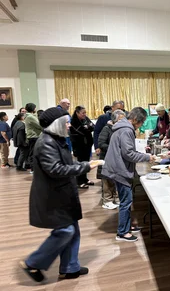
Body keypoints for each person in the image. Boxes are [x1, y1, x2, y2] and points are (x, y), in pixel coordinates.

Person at [19, 107, 98, 282]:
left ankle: (70, 268)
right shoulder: (46, 142)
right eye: (67, 122)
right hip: (52, 197)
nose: (69, 125)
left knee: (73, 230)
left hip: (62, 194)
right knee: (65, 230)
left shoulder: (56, 139)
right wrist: (86, 166)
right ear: (58, 124)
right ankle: (33, 262)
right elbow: (56, 169)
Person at [102, 107, 156, 242]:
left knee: (126, 199)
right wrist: (147, 157)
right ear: (136, 120)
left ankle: (127, 226)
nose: (142, 125)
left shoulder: (122, 127)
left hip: (116, 167)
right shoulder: (126, 130)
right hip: (119, 169)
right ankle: (122, 232)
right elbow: (129, 154)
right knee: (126, 201)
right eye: (142, 122)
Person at [97, 109, 126, 210]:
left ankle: (116, 198)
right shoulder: (107, 128)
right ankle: (107, 201)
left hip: (117, 159)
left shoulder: (121, 129)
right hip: (107, 159)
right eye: (121, 120)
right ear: (114, 120)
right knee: (107, 181)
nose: (123, 122)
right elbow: (101, 143)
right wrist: (113, 147)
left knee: (116, 180)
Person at [70, 106, 95, 189]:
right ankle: (79, 181)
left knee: (86, 162)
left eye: (85, 113)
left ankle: (84, 179)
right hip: (79, 145)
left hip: (87, 144)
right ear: (77, 113)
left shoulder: (85, 118)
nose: (84, 114)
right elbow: (80, 131)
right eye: (82, 113)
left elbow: (93, 126)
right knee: (81, 163)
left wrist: (87, 127)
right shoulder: (73, 121)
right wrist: (88, 127)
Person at [24, 103, 42, 172]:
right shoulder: (30, 117)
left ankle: (34, 168)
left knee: (33, 152)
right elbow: (39, 125)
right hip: (34, 136)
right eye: (35, 107)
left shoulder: (29, 116)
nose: (35, 109)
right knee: (34, 153)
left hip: (33, 136)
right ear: (32, 108)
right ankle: (33, 169)